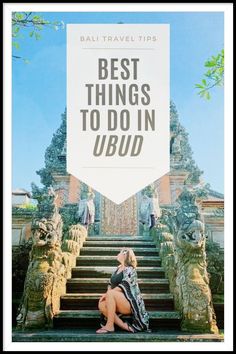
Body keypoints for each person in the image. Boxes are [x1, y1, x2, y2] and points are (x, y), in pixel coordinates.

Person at [96, 248, 150, 334]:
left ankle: (109, 326)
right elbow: (110, 284)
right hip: (115, 300)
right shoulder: (117, 269)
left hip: (128, 302)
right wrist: (107, 294)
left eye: (119, 252)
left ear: (125, 255)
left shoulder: (130, 269)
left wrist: (107, 294)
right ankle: (124, 325)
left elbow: (125, 284)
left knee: (110, 294)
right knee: (102, 304)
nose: (118, 254)